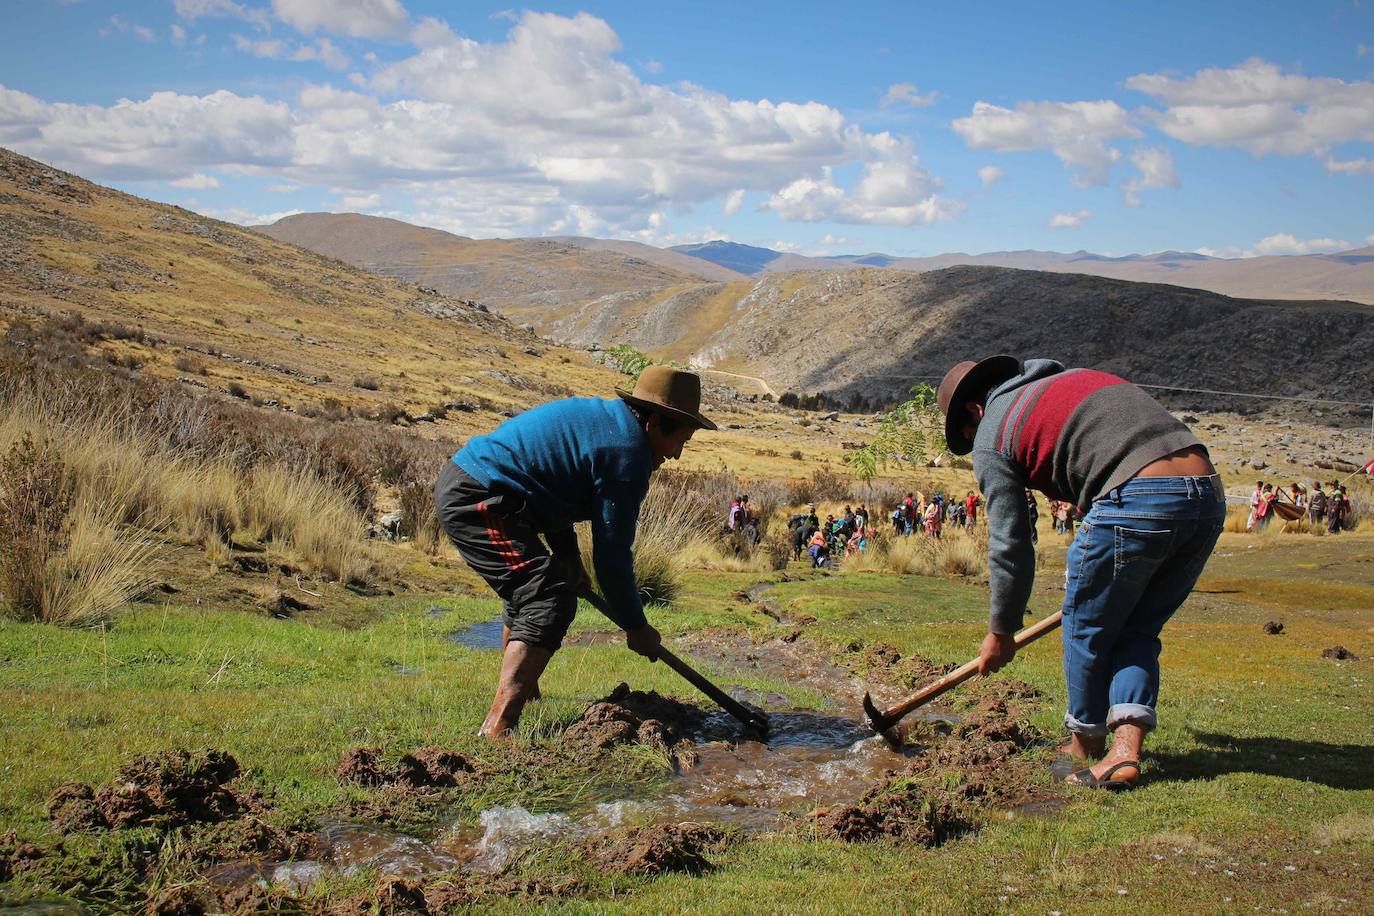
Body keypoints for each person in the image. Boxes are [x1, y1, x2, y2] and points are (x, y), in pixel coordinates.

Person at [937, 355, 1224, 791]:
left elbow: (1010, 541)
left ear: (975, 410)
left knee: (1086, 625)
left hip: (1135, 493)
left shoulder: (992, 429)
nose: (972, 441)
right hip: (1206, 494)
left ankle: (1084, 743)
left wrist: (1001, 629)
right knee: (1137, 630)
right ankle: (1124, 753)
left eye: (965, 432)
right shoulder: (1065, 382)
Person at [435, 366, 714, 738]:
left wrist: (569, 557)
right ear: (653, 425)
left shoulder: (611, 426)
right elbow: (612, 555)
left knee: (534, 588)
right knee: (547, 597)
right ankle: (499, 724)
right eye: (680, 440)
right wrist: (636, 626)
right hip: (480, 499)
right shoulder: (627, 453)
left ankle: (528, 699)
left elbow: (551, 490)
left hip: (489, 492)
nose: (677, 455)